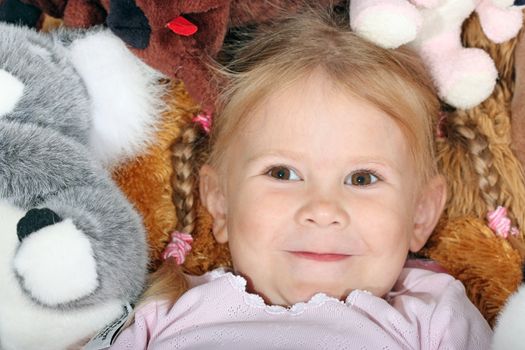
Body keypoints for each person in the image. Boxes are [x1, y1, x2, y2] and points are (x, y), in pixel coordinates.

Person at [110, 8, 492, 350]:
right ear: (221, 201)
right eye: (282, 173)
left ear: (420, 213)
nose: (323, 210)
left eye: (362, 178)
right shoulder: (163, 311)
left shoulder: (434, 317)